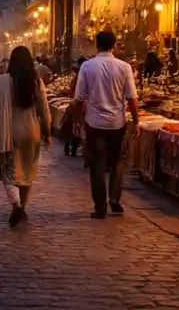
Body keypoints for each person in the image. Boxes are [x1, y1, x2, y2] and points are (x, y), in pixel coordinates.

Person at [73, 30, 139, 219]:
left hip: (94, 123)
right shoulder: (124, 67)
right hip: (117, 123)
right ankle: (115, 199)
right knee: (118, 161)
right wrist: (137, 122)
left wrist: (77, 122)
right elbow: (132, 99)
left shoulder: (87, 66)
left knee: (97, 164)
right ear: (115, 45)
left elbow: (78, 99)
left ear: (97, 44)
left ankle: (100, 206)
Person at [0, 46, 51, 227]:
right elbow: (44, 110)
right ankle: (22, 207)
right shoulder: (36, 82)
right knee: (27, 170)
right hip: (31, 131)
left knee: (9, 171)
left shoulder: (3, 81)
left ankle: (16, 205)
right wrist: (47, 132)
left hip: (9, 131)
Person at [61, 56, 88, 158]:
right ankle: (74, 149)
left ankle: (71, 148)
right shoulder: (81, 76)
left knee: (74, 127)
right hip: (80, 105)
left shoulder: (78, 76)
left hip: (76, 104)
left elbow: (72, 92)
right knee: (77, 127)